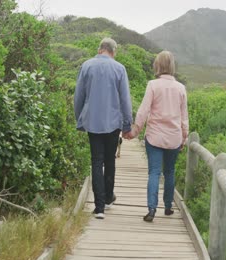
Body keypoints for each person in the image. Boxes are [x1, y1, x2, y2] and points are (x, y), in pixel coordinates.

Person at [74, 38, 133, 219]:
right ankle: (108, 197)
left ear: (100, 49)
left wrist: (80, 119)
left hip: (93, 122)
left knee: (96, 161)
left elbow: (79, 96)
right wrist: (127, 124)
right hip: (113, 123)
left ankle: (99, 207)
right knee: (110, 161)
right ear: (113, 52)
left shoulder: (86, 66)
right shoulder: (119, 69)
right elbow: (125, 99)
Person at [127, 51, 189, 222]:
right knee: (169, 172)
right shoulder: (181, 88)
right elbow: (184, 117)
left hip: (154, 136)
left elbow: (144, 110)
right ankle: (168, 207)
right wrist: (184, 136)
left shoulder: (153, 85)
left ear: (158, 65)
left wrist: (136, 129)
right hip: (174, 137)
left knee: (154, 172)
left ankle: (152, 209)